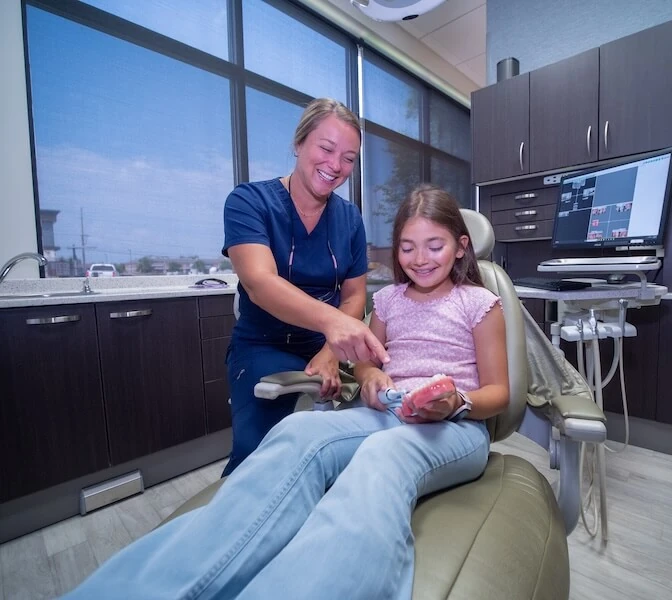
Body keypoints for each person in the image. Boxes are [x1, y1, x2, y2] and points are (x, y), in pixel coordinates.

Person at [64, 184, 509, 600]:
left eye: (435, 246)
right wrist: (371, 375)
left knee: (383, 456)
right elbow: (370, 357)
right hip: (388, 410)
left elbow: (499, 393)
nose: (421, 258)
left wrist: (456, 402)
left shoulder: (478, 303)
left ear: (460, 247)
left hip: (455, 425)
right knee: (298, 433)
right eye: (408, 247)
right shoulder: (389, 300)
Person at [221, 97, 389, 475]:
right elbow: (260, 283)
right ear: (299, 144)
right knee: (260, 458)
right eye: (326, 148)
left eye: (348, 158)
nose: (336, 166)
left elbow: (354, 294)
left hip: (325, 345)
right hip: (264, 343)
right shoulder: (249, 201)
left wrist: (331, 350)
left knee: (347, 450)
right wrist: (333, 324)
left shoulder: (349, 218)